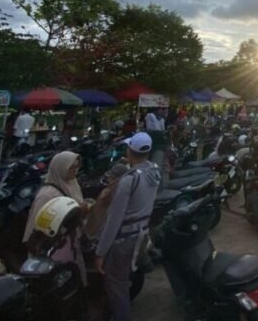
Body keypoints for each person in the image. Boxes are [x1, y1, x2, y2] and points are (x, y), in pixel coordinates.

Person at [96, 132, 160, 321]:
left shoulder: (129, 180)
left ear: (129, 151)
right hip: (141, 234)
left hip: (123, 240)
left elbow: (114, 220)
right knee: (122, 281)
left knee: (116, 286)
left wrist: (100, 252)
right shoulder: (154, 172)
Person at [23, 151, 87, 284]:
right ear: (60, 168)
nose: (75, 171)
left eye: (77, 167)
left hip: (69, 243)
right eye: (71, 167)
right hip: (52, 247)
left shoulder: (71, 184)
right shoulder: (48, 195)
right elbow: (39, 226)